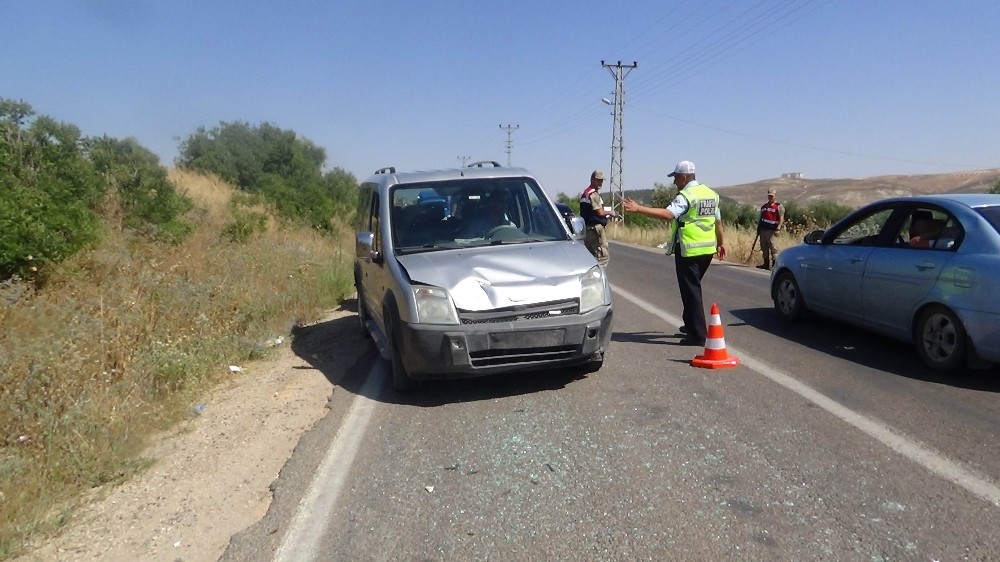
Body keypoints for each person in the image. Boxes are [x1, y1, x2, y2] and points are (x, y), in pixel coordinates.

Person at [623, 160, 726, 346]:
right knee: (692, 288)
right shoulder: (711, 194)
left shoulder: (686, 195)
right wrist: (721, 243)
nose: (674, 182)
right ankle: (690, 324)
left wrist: (639, 209)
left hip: (689, 250)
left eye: (676, 178)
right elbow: (718, 222)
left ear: (684, 177)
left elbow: (668, 214)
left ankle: (697, 335)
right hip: (708, 250)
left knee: (691, 291)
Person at [579, 170, 618, 267]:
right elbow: (599, 212)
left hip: (587, 229)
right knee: (603, 258)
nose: (600, 183)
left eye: (601, 180)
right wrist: (611, 213)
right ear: (592, 179)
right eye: (598, 180)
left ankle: (589, 277)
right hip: (595, 229)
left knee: (590, 257)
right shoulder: (594, 194)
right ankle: (598, 278)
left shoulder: (586, 192)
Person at [756, 187, 785, 270]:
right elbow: (761, 219)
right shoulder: (764, 207)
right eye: (769, 196)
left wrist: (778, 228)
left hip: (772, 231)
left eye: (772, 196)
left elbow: (781, 219)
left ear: (775, 196)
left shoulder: (779, 207)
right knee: (764, 247)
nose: (770, 197)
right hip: (763, 230)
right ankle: (766, 264)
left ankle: (774, 265)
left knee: (773, 248)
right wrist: (759, 229)